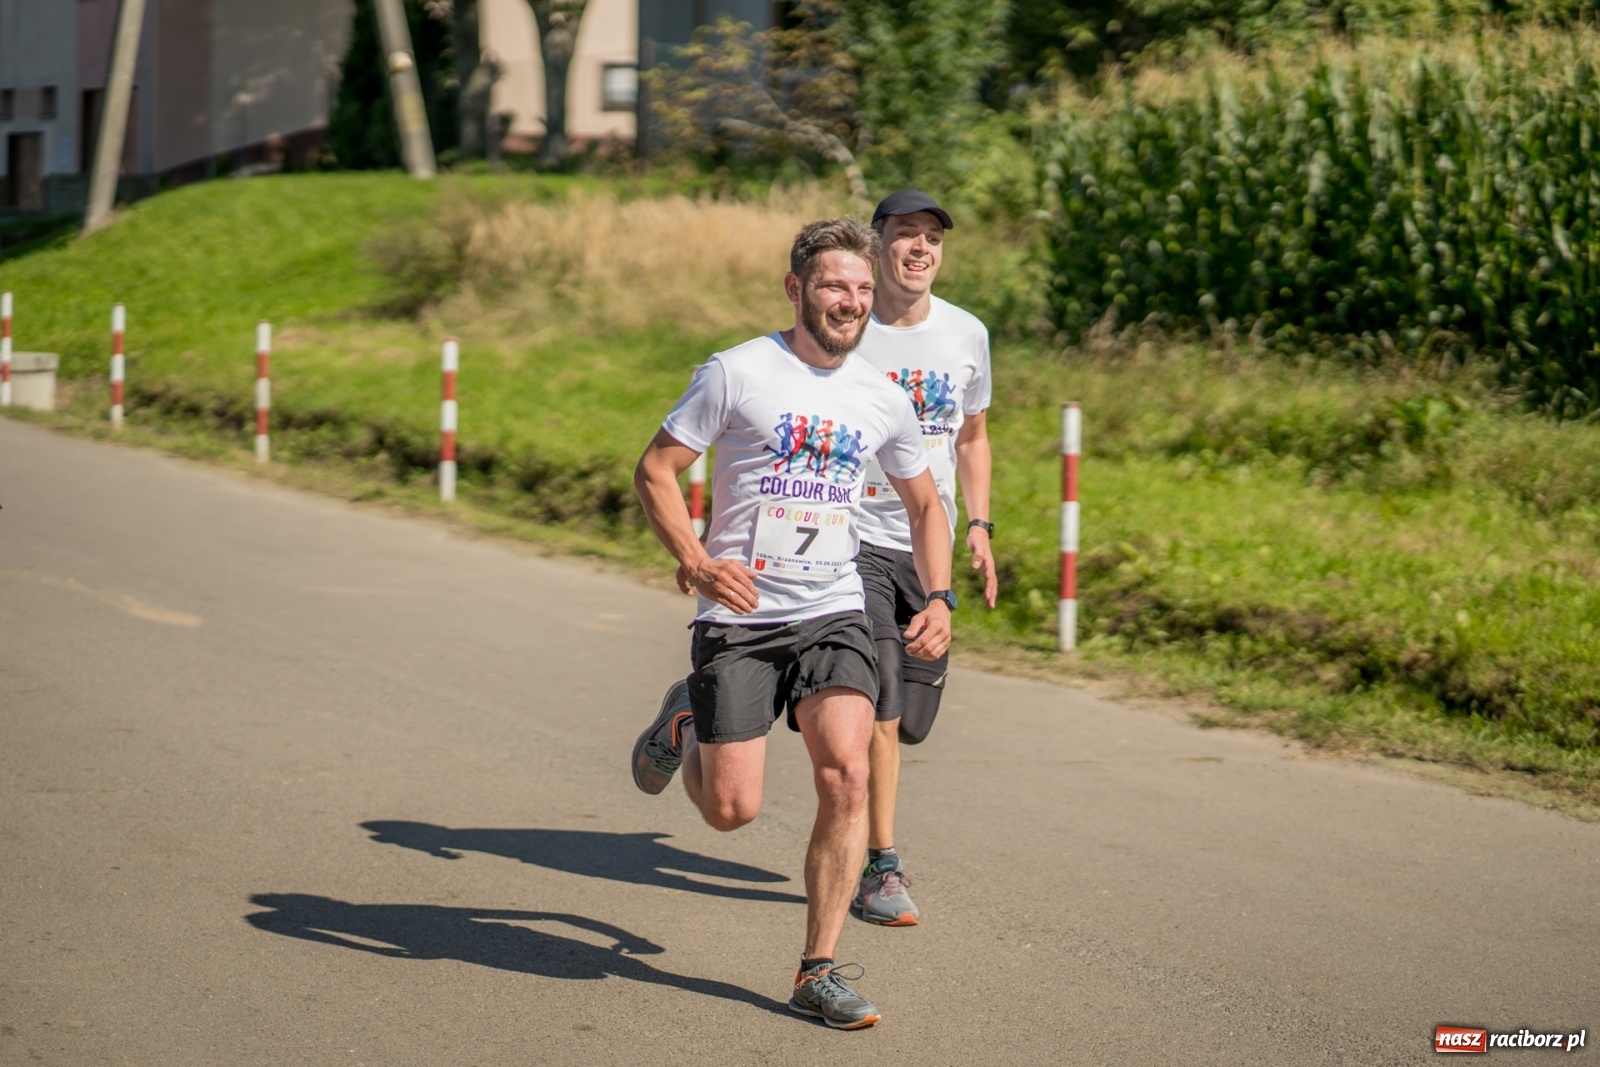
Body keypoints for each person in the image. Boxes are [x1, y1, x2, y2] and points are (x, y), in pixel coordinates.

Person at [629, 217, 955, 1030]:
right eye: (832, 285)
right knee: (730, 810)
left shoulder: (881, 397)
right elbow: (656, 469)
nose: (848, 301)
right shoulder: (737, 372)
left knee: (846, 769)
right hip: (740, 615)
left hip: (832, 607)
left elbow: (925, 504)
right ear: (796, 288)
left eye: (859, 289)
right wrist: (697, 560)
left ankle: (818, 967)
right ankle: (688, 716)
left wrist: (940, 597)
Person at [849, 190, 998, 928]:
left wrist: (981, 523)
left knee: (911, 723)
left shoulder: (967, 334)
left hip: (929, 543)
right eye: (906, 234)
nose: (920, 247)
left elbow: (971, 436)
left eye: (931, 237)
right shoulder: (848, 326)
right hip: (856, 540)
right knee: (879, 704)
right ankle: (881, 865)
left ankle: (721, 689)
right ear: (879, 243)